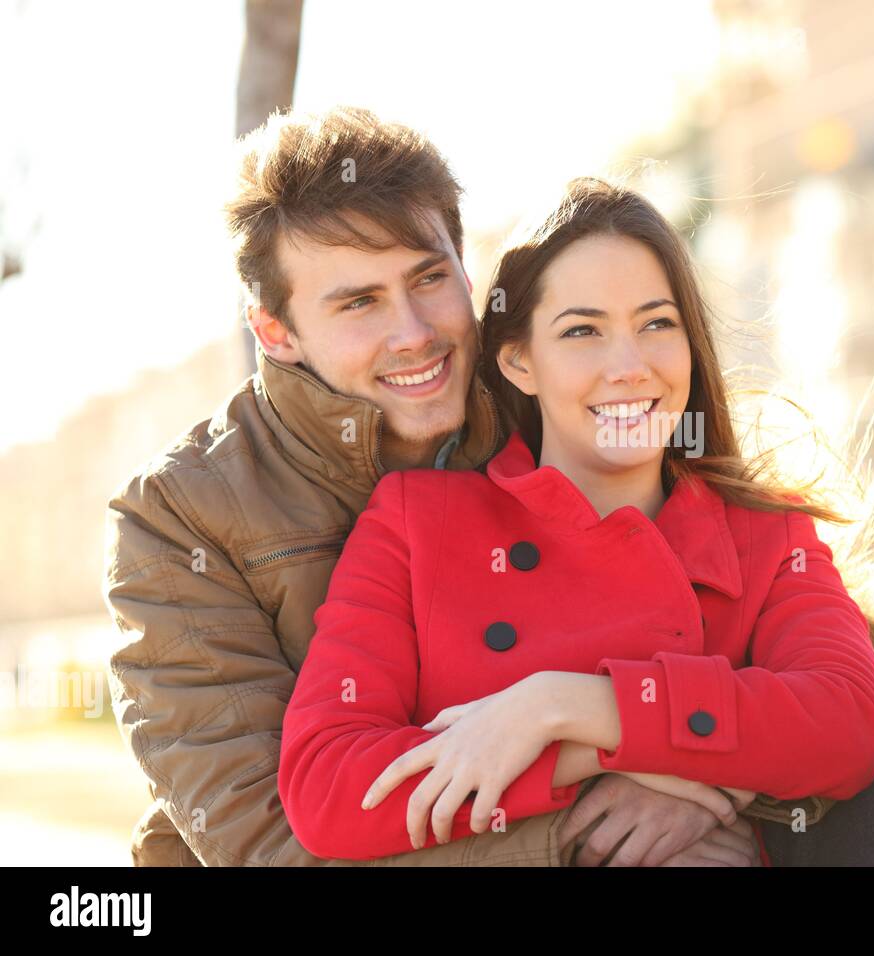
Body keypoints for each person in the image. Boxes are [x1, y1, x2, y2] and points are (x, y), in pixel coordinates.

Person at [101, 106, 743, 867]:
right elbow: (267, 844)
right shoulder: (180, 517)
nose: (414, 333)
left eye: (429, 279)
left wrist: (715, 782)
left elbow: (761, 654)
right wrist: (584, 837)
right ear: (275, 330)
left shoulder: (549, 408)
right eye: (359, 302)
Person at [278, 177, 874, 866]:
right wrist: (595, 760)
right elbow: (329, 784)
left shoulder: (764, 533)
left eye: (656, 323)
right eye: (583, 331)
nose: (629, 366)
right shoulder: (419, 522)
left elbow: (845, 724)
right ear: (519, 360)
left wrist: (559, 706)